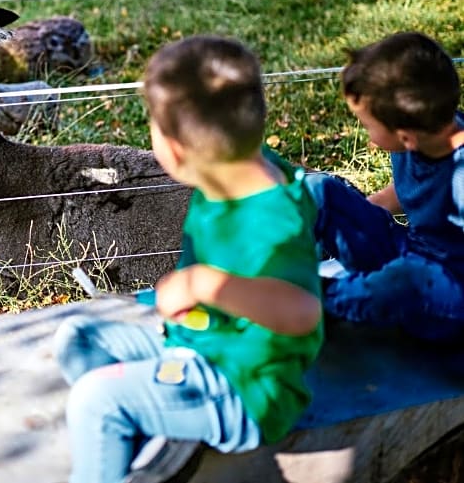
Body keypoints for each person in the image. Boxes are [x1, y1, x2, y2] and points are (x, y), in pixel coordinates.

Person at [53, 35, 324, 483]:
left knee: (94, 400)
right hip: (197, 345)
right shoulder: (236, 165)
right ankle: (161, 432)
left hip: (244, 387)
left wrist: (203, 284)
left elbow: (301, 311)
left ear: (175, 150)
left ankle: (127, 444)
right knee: (78, 338)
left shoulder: (271, 221)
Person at [304, 31, 464, 341]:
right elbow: (413, 190)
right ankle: (270, 257)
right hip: (413, 251)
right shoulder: (428, 131)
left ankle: (309, 303)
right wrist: (355, 213)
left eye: (367, 125)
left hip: (448, 291)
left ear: (405, 137)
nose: (367, 135)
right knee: (319, 191)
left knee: (400, 284)